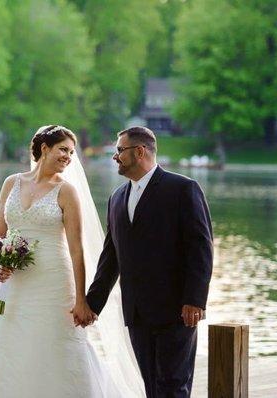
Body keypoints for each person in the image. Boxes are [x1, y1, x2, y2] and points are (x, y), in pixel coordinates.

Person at [0, 125, 143, 398]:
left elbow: (77, 251)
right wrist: (1, 259)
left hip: (54, 282)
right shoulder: (11, 183)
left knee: (55, 347)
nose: (68, 157)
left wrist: (80, 300)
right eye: (63, 149)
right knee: (10, 343)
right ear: (44, 148)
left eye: (71, 153)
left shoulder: (66, 192)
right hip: (16, 285)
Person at [86, 126, 213, 398]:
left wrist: (195, 299)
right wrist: (92, 304)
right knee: (152, 387)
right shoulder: (117, 197)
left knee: (173, 385)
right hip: (137, 313)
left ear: (140, 152)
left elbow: (201, 248)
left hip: (177, 311)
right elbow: (111, 258)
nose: (115, 157)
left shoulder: (183, 189)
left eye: (120, 151)